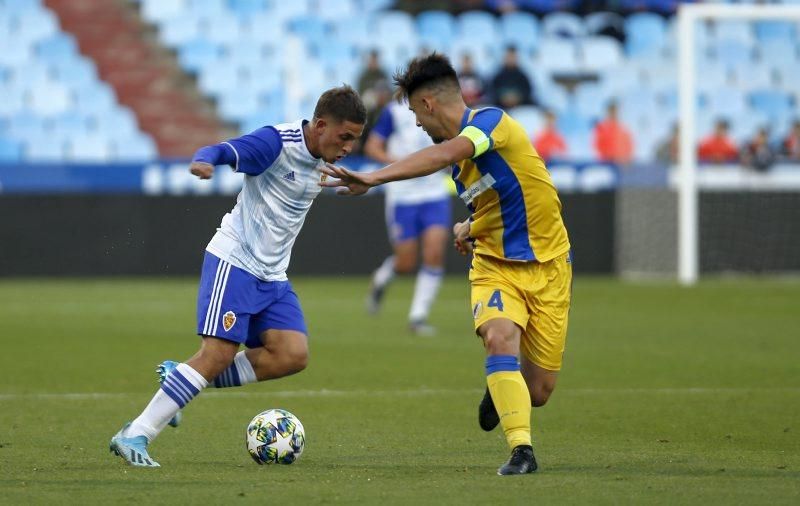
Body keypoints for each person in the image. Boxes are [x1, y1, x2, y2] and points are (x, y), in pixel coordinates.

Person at [320, 54, 572, 476]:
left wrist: (375, 177)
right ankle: (521, 451)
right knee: (498, 336)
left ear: (428, 105)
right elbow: (499, 199)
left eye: (417, 114)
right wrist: (470, 226)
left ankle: (501, 385)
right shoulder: (459, 161)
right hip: (494, 266)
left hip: (550, 267)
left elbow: (452, 155)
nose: (417, 125)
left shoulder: (492, 123)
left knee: (539, 391)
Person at [109, 86, 366, 467]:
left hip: (273, 274)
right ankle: (136, 433)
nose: (348, 147)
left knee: (292, 354)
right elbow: (226, 150)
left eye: (354, 140)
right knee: (217, 354)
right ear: (321, 124)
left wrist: (362, 183)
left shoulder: (326, 159)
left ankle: (180, 381)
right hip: (236, 262)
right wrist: (203, 161)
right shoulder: (277, 143)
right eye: (344, 137)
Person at [363, 99, 452, 335]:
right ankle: (381, 278)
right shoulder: (394, 112)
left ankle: (417, 317)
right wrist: (400, 164)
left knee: (434, 253)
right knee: (406, 262)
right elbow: (372, 147)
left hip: (434, 192)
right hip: (403, 195)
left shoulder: (441, 110)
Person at [489, 45, 536, 110]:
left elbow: (528, 91)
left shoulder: (522, 76)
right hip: (501, 107)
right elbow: (492, 91)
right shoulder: (497, 76)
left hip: (521, 106)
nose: (511, 59)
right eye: (509, 57)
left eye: (513, 57)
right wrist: (504, 98)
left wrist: (517, 98)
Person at [593, 100, 633, 165]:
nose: (614, 113)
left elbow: (629, 146)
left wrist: (625, 158)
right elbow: (597, 146)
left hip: (621, 164)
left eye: (615, 111)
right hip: (606, 163)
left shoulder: (623, 129)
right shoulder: (602, 129)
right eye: (611, 111)